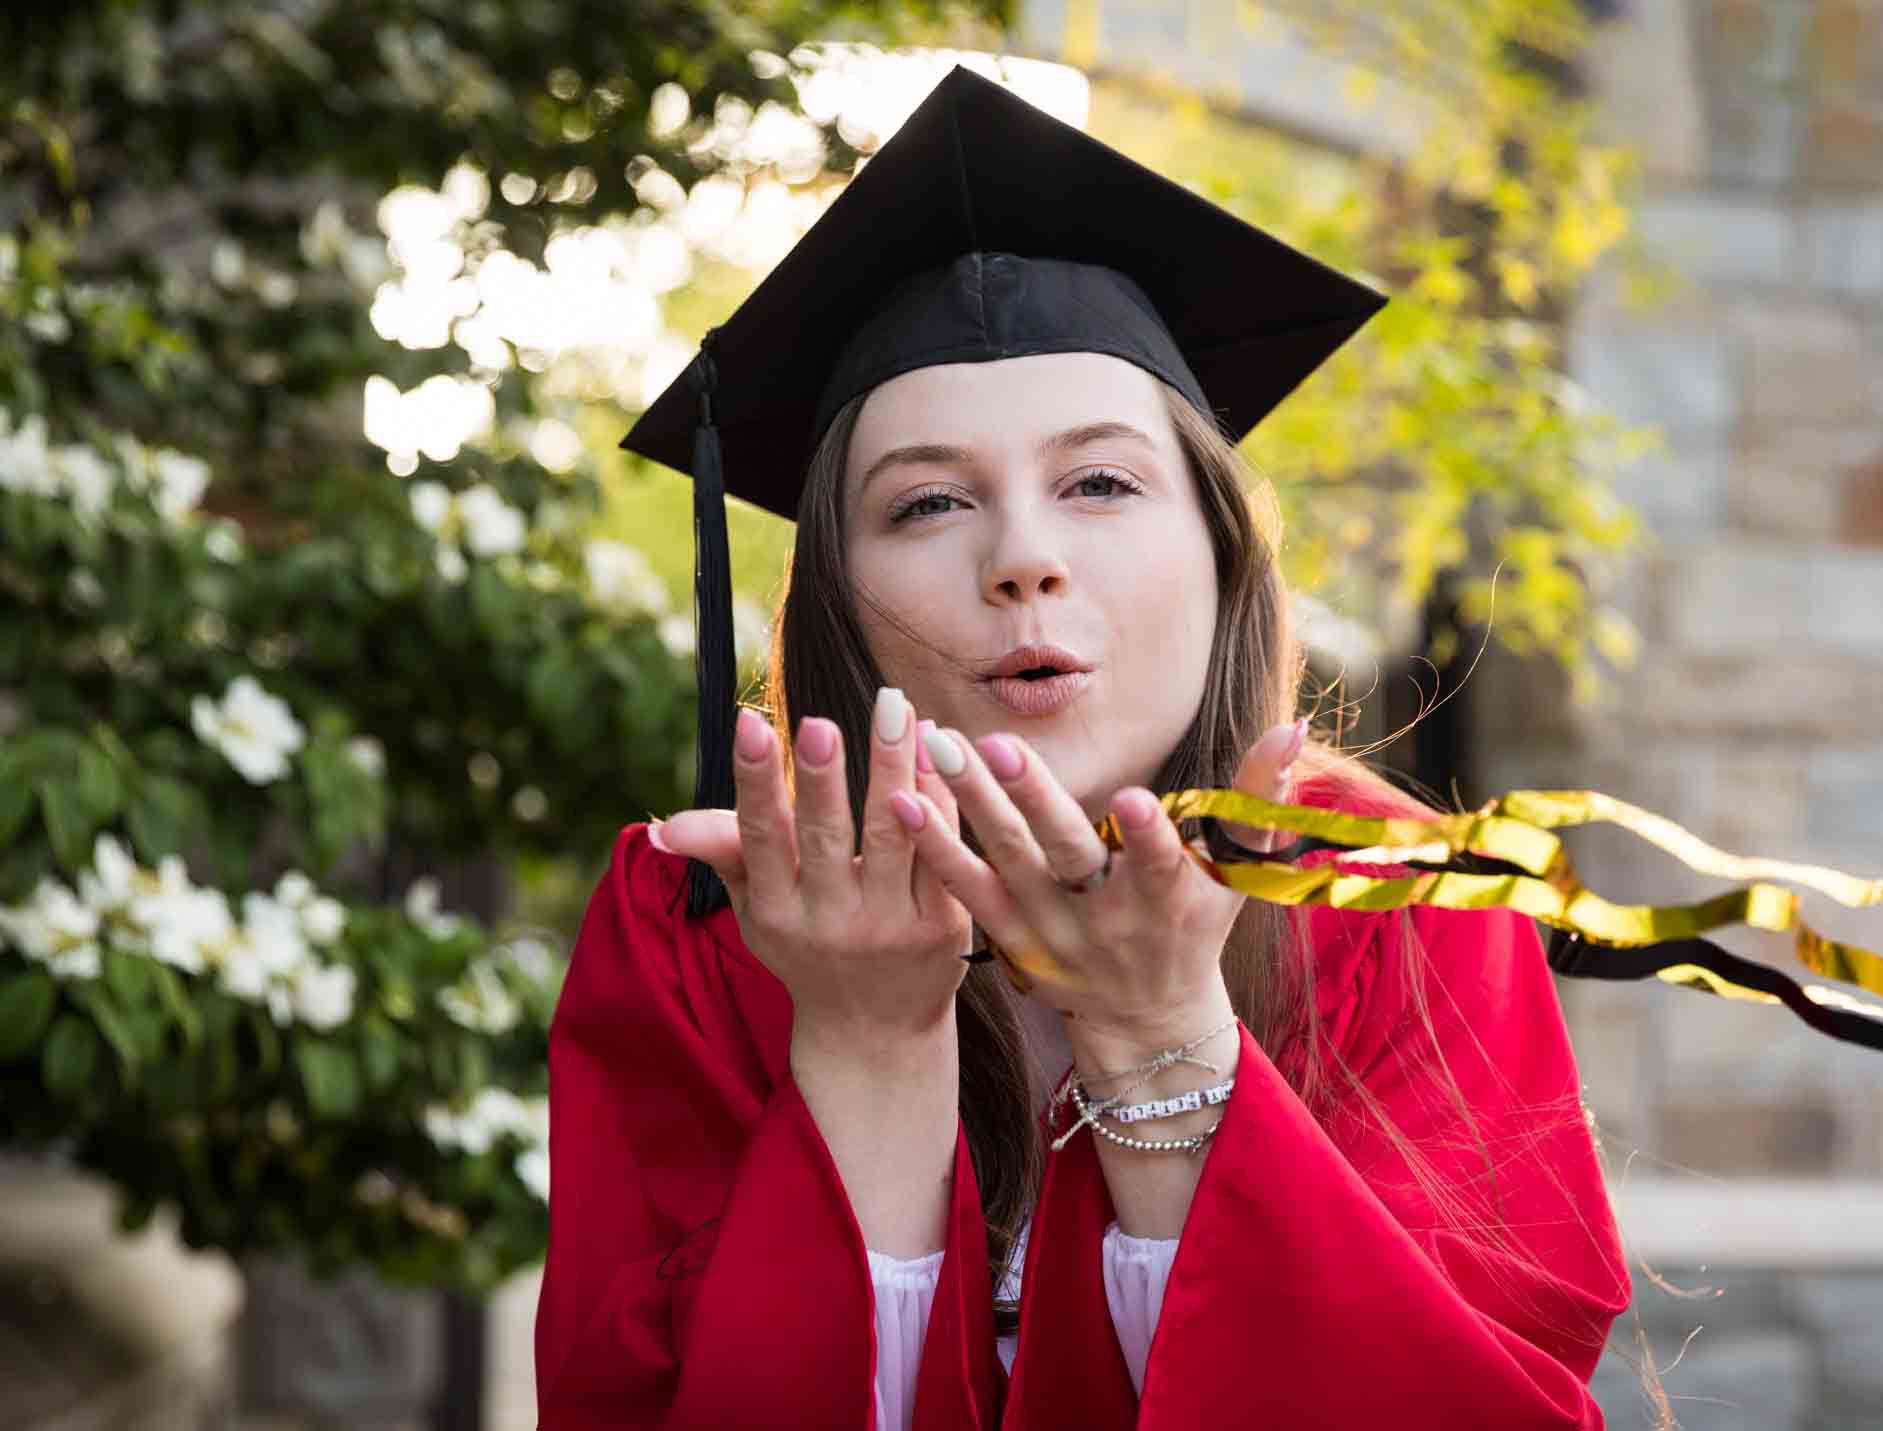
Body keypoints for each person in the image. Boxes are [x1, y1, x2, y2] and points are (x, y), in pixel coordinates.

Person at [533, 65, 1632, 1429]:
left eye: (1102, 483)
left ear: (1225, 554)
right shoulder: (693, 920)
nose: (1025, 561)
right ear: (835, 593)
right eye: (928, 502)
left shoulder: (1395, 896)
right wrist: (867, 1040)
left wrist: (1160, 1033)